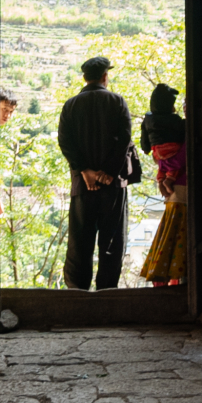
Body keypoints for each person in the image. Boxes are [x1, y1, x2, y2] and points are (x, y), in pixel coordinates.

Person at [56, 55, 132, 290]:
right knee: (111, 242)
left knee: (80, 242)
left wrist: (85, 171)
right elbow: (124, 140)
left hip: (83, 185)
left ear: (85, 78)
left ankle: (77, 294)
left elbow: (65, 142)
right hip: (112, 185)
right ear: (105, 77)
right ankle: (107, 294)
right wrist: (108, 172)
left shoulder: (71, 104)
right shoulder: (118, 102)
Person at [139, 83, 188, 286]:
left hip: (159, 155)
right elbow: (184, 150)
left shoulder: (148, 120)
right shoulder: (179, 124)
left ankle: (163, 179)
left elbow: (145, 147)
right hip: (179, 185)